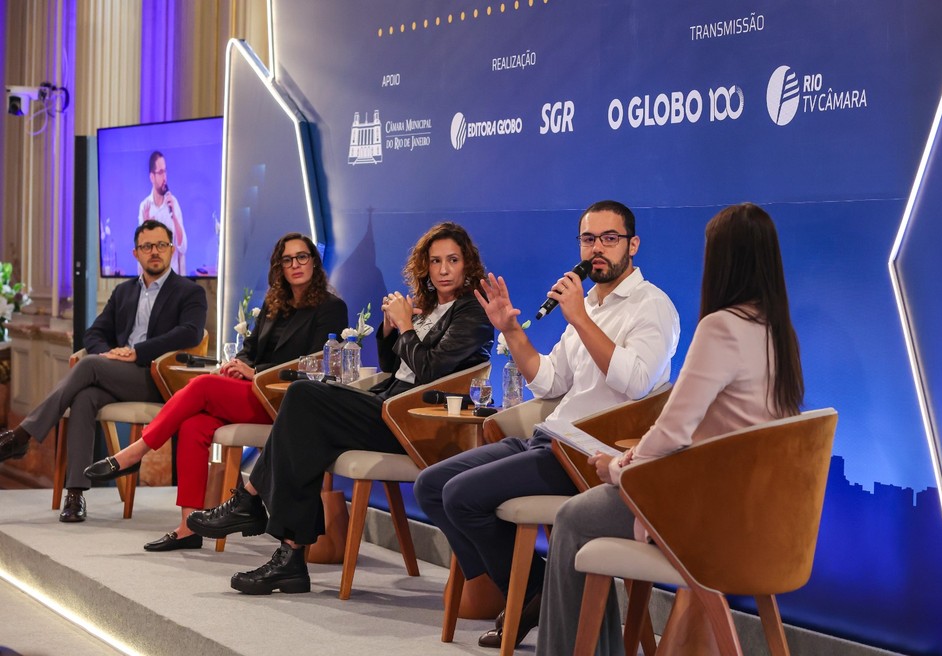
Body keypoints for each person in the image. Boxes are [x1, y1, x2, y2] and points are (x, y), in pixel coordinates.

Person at [535, 202, 805, 655]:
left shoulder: (720, 327)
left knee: (572, 518)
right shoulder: (779, 330)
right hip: (762, 517)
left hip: (702, 513)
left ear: (721, 261)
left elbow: (673, 432)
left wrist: (619, 467)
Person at [413, 200, 680, 650]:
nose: (597, 249)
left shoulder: (651, 307)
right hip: (548, 438)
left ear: (632, 245)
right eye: (588, 239)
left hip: (586, 454)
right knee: (431, 486)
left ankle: (530, 596)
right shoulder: (589, 302)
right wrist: (511, 330)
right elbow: (549, 381)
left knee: (461, 495)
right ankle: (536, 590)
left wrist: (577, 316)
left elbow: (636, 383)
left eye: (609, 239)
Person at [185, 221, 494, 594]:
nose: (444, 270)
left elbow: (430, 371)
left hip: (416, 423)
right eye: (435, 261)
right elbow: (397, 370)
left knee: (302, 396)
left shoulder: (472, 313)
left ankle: (249, 501)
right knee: (306, 426)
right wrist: (389, 331)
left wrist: (407, 325)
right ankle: (289, 558)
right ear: (425, 268)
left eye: (453, 260)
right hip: (391, 404)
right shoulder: (429, 308)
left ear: (467, 265)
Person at [83, 233, 348, 551]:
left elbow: (316, 365)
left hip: (286, 401)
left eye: (302, 257)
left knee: (204, 386)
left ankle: (136, 452)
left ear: (314, 262)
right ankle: (187, 527)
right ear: (279, 266)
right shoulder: (274, 303)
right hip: (252, 390)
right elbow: (251, 349)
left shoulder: (331, 308)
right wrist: (239, 365)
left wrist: (256, 373)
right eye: (287, 259)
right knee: (193, 425)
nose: (295, 265)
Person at [0, 220, 206, 522]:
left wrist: (136, 352)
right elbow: (93, 334)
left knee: (90, 366)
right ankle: (75, 493)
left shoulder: (189, 291)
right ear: (135, 253)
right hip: (119, 373)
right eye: (147, 246)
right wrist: (110, 353)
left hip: (158, 379)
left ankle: (21, 436)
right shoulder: (123, 292)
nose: (155, 252)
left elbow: (190, 333)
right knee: (85, 396)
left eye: (161, 245)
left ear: (172, 250)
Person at [138, 151, 188, 274]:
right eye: (160, 172)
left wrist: (174, 217)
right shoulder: (145, 207)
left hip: (173, 281)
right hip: (152, 281)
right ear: (152, 177)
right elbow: (142, 252)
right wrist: (146, 226)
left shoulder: (173, 203)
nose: (164, 177)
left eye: (165, 171)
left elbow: (183, 247)